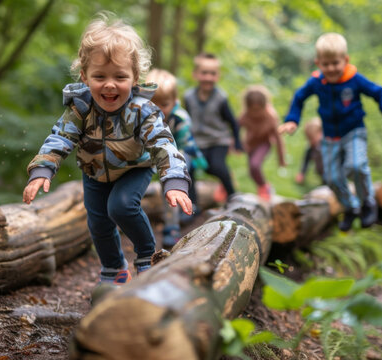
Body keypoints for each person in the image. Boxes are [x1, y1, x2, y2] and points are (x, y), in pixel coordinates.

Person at [22, 15, 192, 286]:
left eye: (120, 77)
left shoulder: (142, 111)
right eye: (99, 76)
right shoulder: (80, 108)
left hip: (134, 168)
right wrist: (43, 167)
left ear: (135, 77)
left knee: (122, 206)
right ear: (85, 77)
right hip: (94, 173)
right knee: (99, 223)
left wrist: (174, 180)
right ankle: (114, 269)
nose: (110, 84)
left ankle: (147, 255)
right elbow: (60, 137)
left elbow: (162, 143)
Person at [278, 32, 382, 231]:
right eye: (326, 64)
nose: (331, 68)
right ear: (318, 63)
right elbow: (299, 97)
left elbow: (377, 91)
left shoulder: (354, 79)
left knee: (357, 166)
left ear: (345, 60)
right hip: (330, 137)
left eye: (335, 63)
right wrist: (292, 120)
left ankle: (367, 201)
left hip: (354, 131)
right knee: (332, 178)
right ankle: (351, 207)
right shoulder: (317, 82)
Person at [145, 68, 208, 247]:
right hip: (152, 155)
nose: (158, 111)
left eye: (163, 105)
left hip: (179, 154)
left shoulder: (180, 119)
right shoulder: (140, 116)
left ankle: (172, 228)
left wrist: (197, 158)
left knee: (173, 180)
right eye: (152, 104)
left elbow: (186, 144)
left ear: (175, 102)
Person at [183, 52, 243, 205]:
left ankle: (233, 197)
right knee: (189, 169)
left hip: (218, 140)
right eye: (204, 73)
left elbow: (232, 121)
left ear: (218, 76)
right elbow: (185, 119)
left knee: (217, 167)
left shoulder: (220, 98)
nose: (208, 77)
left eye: (212, 74)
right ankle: (192, 204)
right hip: (198, 141)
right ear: (195, 74)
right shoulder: (189, 97)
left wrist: (237, 142)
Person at [238, 85, 286, 200]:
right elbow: (236, 130)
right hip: (250, 144)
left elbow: (278, 139)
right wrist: (235, 145)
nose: (256, 114)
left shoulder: (271, 117)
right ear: (247, 107)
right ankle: (262, 187)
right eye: (252, 110)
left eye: (258, 110)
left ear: (264, 106)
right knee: (251, 171)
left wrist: (281, 158)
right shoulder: (245, 116)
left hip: (264, 143)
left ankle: (265, 188)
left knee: (255, 165)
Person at [295, 117, 325, 185]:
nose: (311, 141)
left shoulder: (328, 145)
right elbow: (306, 160)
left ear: (321, 133)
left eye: (312, 138)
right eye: (309, 139)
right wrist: (302, 173)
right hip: (322, 172)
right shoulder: (312, 147)